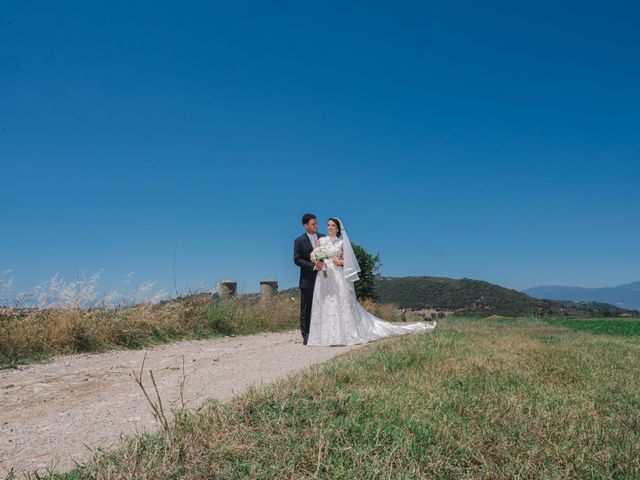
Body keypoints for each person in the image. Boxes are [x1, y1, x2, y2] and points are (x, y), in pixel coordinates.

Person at [307, 218, 436, 346]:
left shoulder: (342, 243)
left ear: (338, 229)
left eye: (333, 225)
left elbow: (350, 262)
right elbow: (315, 256)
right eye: (328, 225)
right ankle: (324, 337)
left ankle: (341, 335)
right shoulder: (321, 241)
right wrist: (317, 262)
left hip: (338, 275)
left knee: (339, 303)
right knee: (326, 303)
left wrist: (340, 262)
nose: (329, 227)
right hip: (324, 277)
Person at [293, 213, 325, 345]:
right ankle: (306, 336)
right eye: (313, 223)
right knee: (306, 308)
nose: (316, 225)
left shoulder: (323, 238)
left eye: (317, 223)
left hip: (324, 279)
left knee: (323, 306)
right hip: (307, 279)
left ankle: (322, 333)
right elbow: (297, 259)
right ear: (305, 226)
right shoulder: (299, 241)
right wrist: (313, 266)